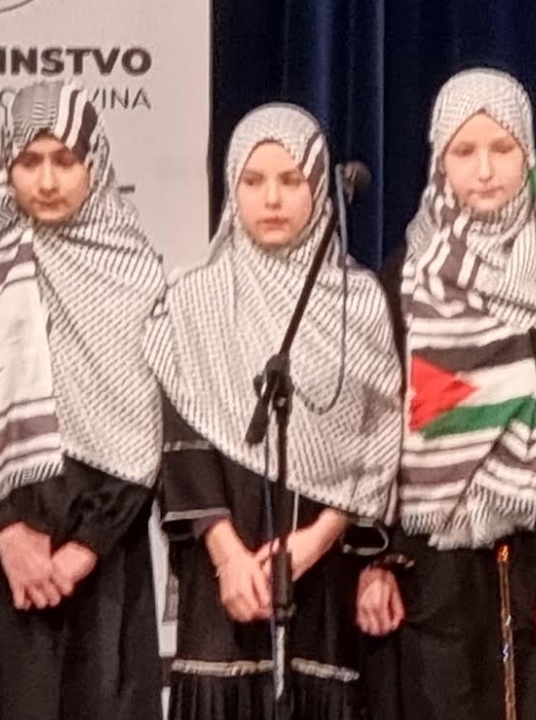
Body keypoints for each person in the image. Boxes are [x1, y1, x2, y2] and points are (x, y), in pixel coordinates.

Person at [354, 67, 536, 720]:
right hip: (423, 571)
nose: (485, 169)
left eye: (502, 148)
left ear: (529, 156)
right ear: (438, 161)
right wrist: (374, 560)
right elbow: (370, 431)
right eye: (464, 151)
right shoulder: (401, 282)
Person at [0, 80, 166, 720]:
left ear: (94, 164)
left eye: (65, 161)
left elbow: (147, 426)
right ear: (8, 166)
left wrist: (83, 550)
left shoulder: (137, 272)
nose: (47, 181)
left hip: (103, 559)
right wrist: (7, 533)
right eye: (29, 161)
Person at [149, 103, 402, 719]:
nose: (271, 199)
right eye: (254, 180)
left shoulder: (359, 302)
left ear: (319, 188)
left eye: (291, 180)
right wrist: (227, 554)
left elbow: (378, 437)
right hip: (224, 573)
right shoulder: (194, 296)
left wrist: (317, 539)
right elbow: (181, 437)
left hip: (324, 572)